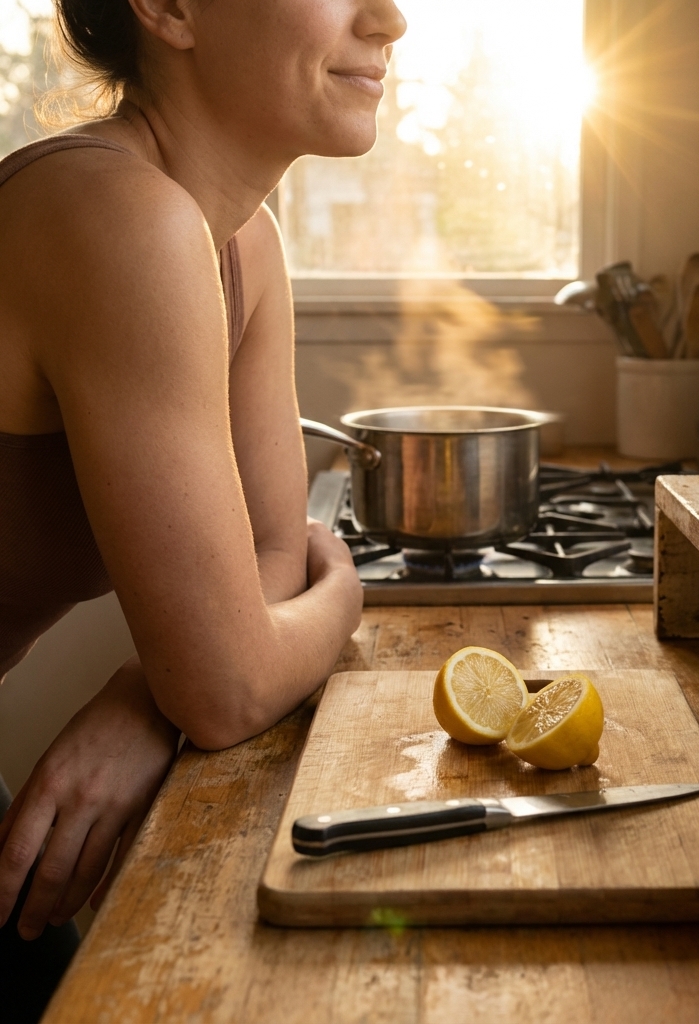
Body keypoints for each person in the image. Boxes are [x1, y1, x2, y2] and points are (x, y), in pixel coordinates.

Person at [0, 0, 404, 1014]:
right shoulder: (110, 215)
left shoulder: (240, 242)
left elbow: (267, 563)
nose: (391, 17)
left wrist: (152, 691)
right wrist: (344, 593)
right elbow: (230, 681)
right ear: (172, 7)